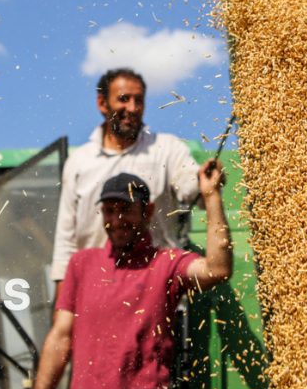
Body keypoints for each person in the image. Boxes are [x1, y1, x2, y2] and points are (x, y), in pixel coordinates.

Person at [24, 163, 233, 389]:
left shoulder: (167, 264)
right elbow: (59, 339)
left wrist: (211, 195)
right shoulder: (81, 264)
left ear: (147, 211)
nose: (116, 220)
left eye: (126, 210)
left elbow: (218, 269)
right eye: (109, 211)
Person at [50, 68, 201, 282]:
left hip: (155, 283)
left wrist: (204, 180)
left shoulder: (167, 149)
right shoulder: (79, 162)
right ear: (102, 103)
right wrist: (62, 306)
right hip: (94, 286)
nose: (132, 108)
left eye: (138, 100)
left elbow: (192, 186)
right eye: (123, 99)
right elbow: (66, 240)